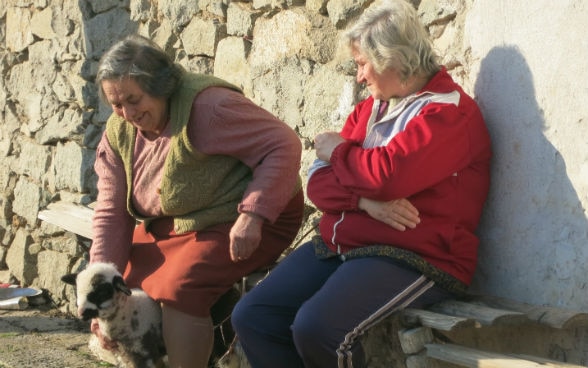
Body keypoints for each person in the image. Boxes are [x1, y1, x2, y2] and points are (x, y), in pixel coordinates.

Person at [231, 0, 492, 367]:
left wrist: (338, 150)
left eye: (362, 64)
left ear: (394, 60)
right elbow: (319, 185)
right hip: (346, 242)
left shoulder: (448, 113)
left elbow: (385, 176)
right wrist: (364, 203)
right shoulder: (371, 109)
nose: (359, 77)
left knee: (317, 327)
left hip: (418, 255)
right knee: (253, 316)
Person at [89, 34, 304, 368]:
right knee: (122, 279)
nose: (127, 113)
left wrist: (254, 215)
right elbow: (111, 210)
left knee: (182, 284)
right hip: (180, 221)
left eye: (134, 99)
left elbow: (284, 145)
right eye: (117, 104)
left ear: (161, 86)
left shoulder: (209, 107)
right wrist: (101, 280)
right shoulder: (119, 130)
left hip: (245, 217)